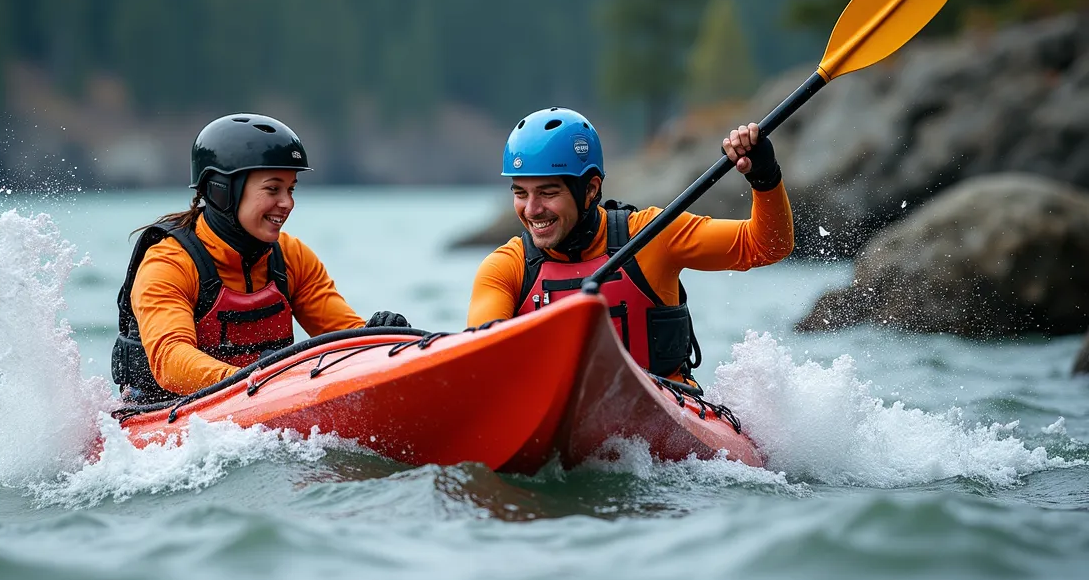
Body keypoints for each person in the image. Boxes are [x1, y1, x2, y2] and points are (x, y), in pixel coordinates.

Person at [467, 107, 794, 384]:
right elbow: (479, 356)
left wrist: (764, 176)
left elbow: (767, 245)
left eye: (548, 193)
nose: (532, 209)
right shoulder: (507, 267)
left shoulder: (652, 236)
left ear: (591, 189)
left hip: (667, 422)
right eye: (520, 193)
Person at [113, 113, 409, 403]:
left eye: (291, 189)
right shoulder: (169, 263)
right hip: (168, 418)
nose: (287, 203)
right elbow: (171, 360)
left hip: (264, 397)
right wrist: (253, 381)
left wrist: (378, 339)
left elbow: (343, 338)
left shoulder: (292, 256)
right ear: (222, 191)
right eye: (273, 189)